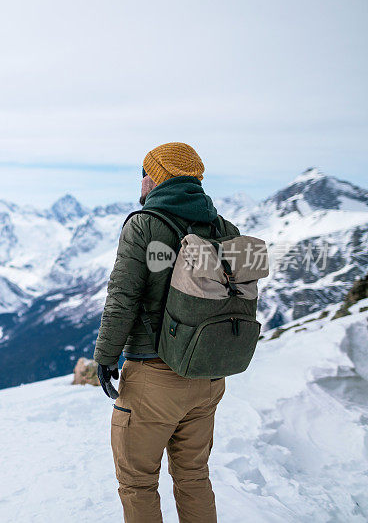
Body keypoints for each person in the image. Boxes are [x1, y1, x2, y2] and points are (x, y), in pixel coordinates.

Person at [94, 142, 239, 523]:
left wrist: (106, 356)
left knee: (138, 482)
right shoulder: (223, 228)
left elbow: (122, 298)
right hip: (208, 374)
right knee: (194, 477)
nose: (140, 181)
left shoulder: (145, 225)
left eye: (143, 172)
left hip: (154, 377)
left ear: (156, 176)